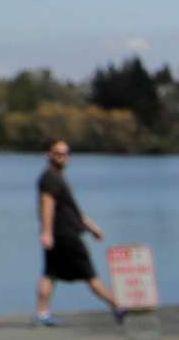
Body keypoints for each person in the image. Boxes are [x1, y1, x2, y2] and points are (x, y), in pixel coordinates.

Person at [35, 140, 124, 327]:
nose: (63, 157)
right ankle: (118, 306)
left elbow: (73, 210)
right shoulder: (50, 178)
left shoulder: (58, 178)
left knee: (50, 274)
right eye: (58, 153)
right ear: (49, 155)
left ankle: (42, 313)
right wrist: (47, 232)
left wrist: (93, 228)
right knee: (90, 275)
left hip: (63, 232)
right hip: (65, 235)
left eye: (66, 153)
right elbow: (47, 205)